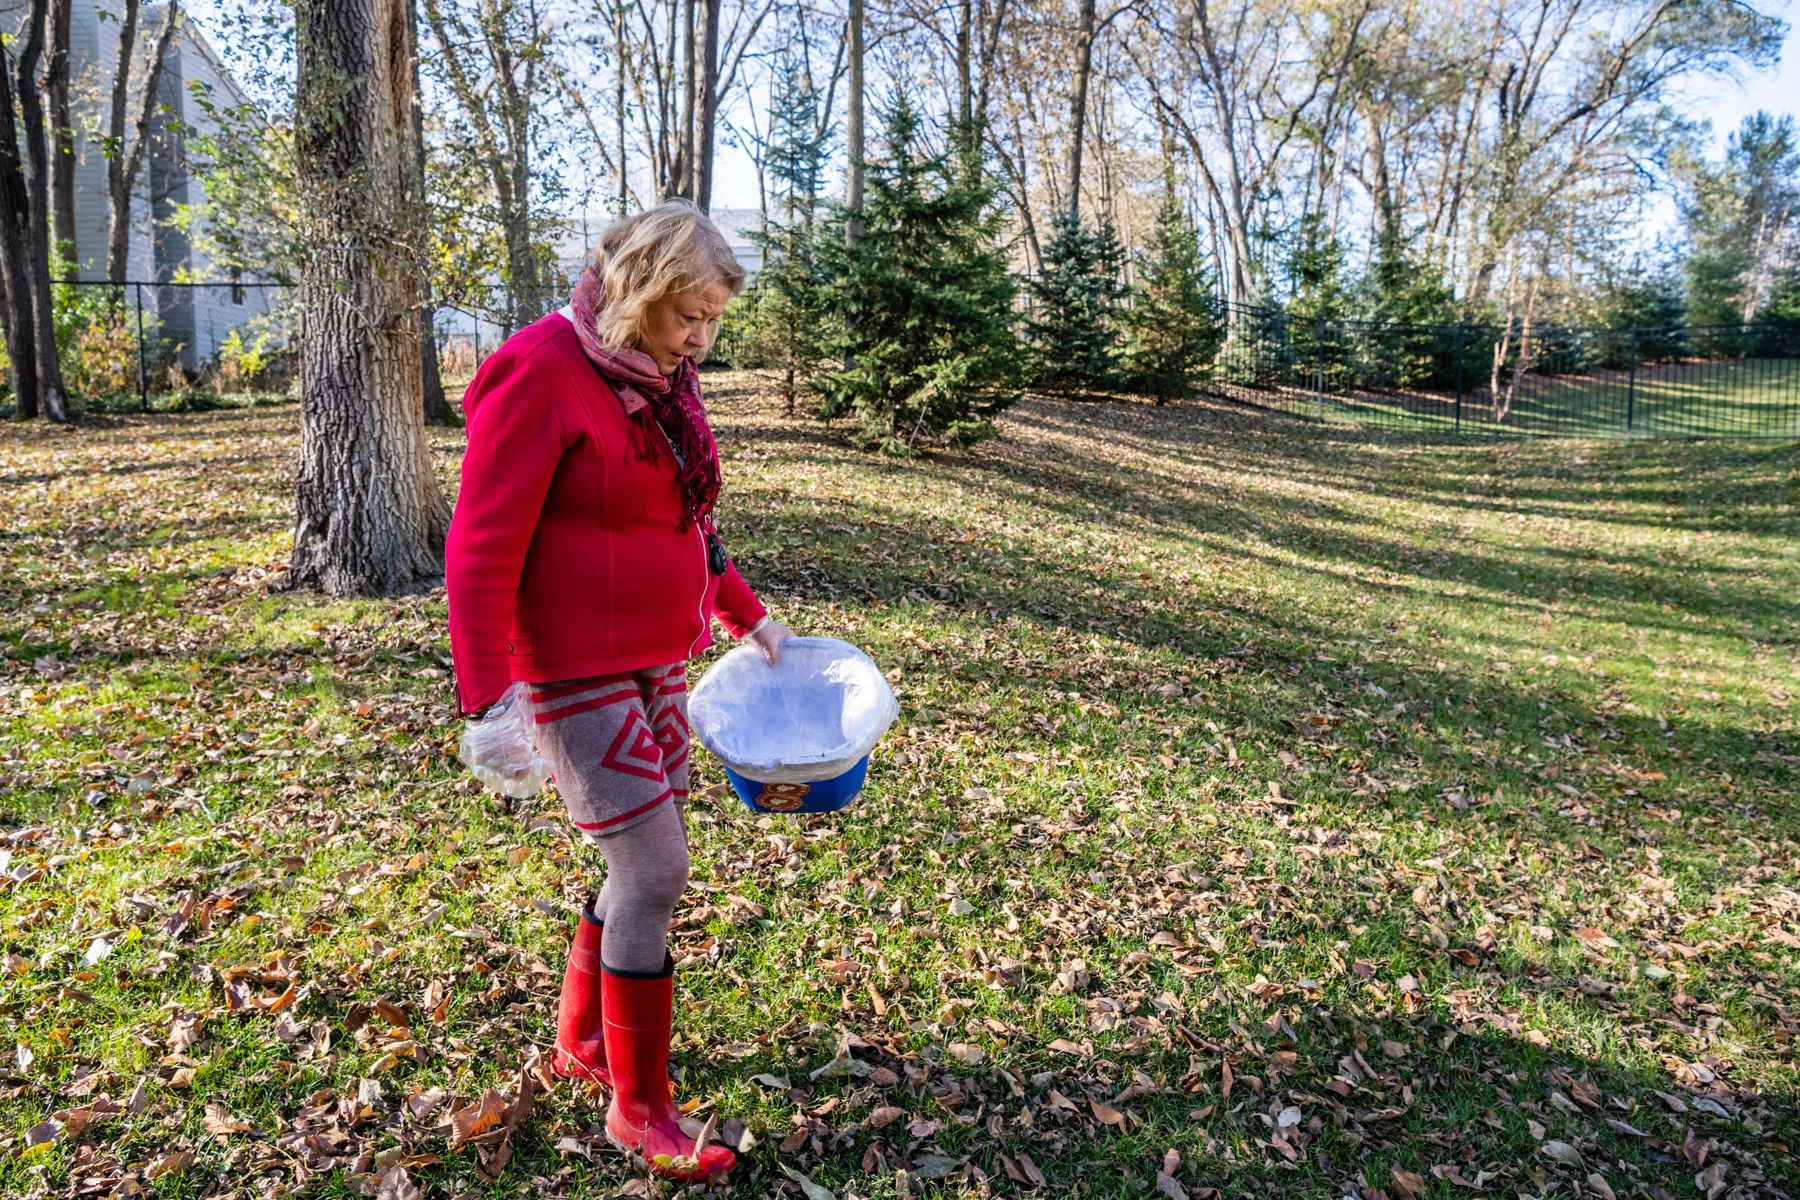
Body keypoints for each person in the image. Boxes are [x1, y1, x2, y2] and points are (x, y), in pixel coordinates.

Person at [445, 200, 791, 1182]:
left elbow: (684, 521)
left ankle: (588, 1046)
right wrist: (488, 701)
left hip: (654, 662)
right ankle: (638, 1111)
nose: (703, 340)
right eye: (690, 316)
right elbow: (479, 549)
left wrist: (747, 614)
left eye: (713, 320)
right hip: (571, 670)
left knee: (641, 861)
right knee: (652, 872)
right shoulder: (542, 370)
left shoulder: (661, 379)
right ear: (638, 292)